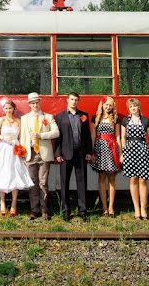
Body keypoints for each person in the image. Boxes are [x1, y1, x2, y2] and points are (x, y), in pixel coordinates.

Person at [0, 98, 34, 216]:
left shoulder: (18, 121)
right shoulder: (1, 120)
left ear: (14, 109)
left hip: (15, 150)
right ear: (3, 109)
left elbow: (22, 136)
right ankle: (2, 203)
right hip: (3, 149)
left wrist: (23, 150)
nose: (8, 110)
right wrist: (3, 137)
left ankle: (14, 204)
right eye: (6, 108)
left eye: (10, 108)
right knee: (3, 173)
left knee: (15, 174)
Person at [19, 91, 60, 220]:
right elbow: (23, 137)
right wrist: (22, 153)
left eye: (37, 102)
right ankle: (34, 210)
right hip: (30, 153)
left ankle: (44, 210)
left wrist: (41, 136)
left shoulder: (48, 117)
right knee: (33, 183)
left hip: (44, 154)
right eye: (32, 103)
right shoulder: (24, 118)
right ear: (29, 105)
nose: (35, 105)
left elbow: (56, 133)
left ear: (39, 102)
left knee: (43, 183)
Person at [54, 92, 95, 221]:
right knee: (64, 183)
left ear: (78, 101)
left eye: (76, 100)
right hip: (66, 155)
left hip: (81, 153)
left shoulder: (84, 116)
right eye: (72, 99)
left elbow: (87, 135)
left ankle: (82, 211)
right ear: (67, 100)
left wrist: (89, 152)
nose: (74, 102)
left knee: (82, 183)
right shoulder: (59, 117)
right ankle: (66, 211)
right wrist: (57, 153)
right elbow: (58, 137)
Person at [120, 98, 149, 220]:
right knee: (133, 180)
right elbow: (123, 137)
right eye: (131, 107)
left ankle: (144, 209)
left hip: (143, 151)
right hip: (129, 151)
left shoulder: (146, 120)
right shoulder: (125, 121)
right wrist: (123, 153)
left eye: (135, 106)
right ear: (128, 109)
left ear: (139, 107)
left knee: (143, 180)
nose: (133, 108)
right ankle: (136, 209)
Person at [92, 96, 121, 217]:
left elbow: (118, 136)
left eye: (110, 105)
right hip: (99, 149)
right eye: (106, 105)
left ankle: (111, 207)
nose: (108, 107)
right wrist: (92, 151)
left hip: (111, 149)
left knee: (112, 179)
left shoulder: (115, 118)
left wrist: (120, 153)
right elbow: (93, 136)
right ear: (102, 105)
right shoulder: (95, 118)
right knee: (102, 179)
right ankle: (104, 207)